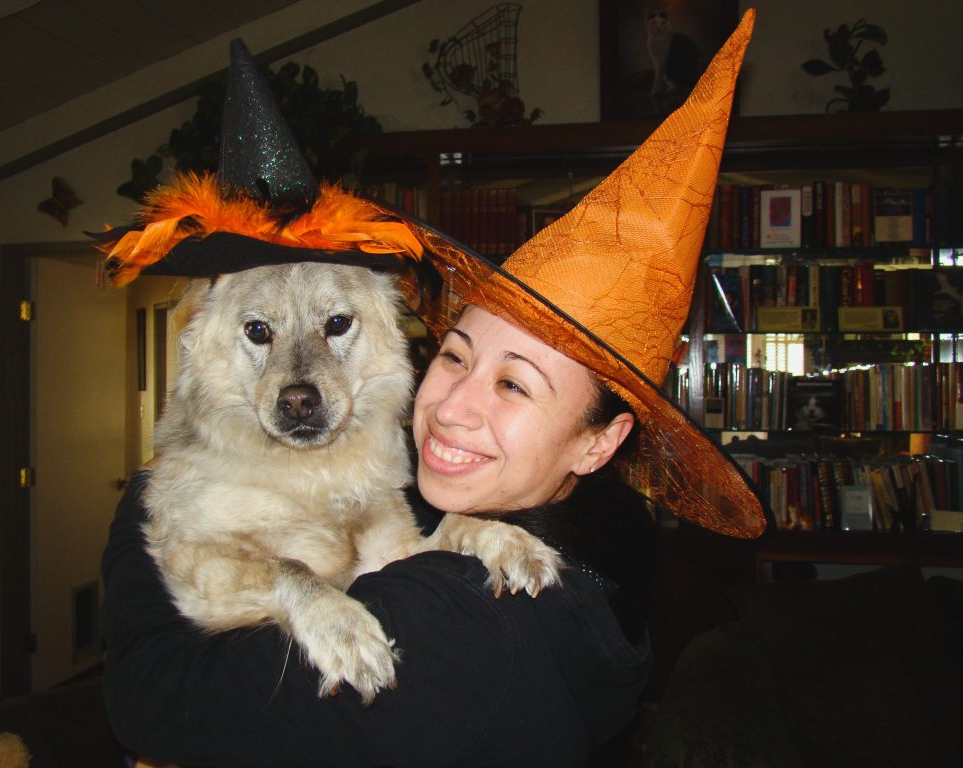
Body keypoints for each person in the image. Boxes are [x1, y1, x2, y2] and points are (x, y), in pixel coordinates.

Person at [100, 12, 768, 768]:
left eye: (514, 384)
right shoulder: (571, 557)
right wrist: (463, 532)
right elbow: (396, 554)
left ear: (600, 441)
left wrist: (147, 496)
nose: (451, 406)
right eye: (455, 356)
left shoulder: (463, 629)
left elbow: (154, 700)